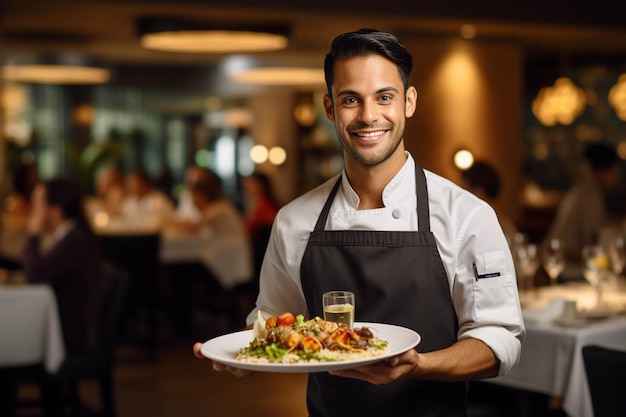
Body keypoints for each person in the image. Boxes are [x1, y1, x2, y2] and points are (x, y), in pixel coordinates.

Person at [194, 29, 524, 417]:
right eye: (351, 99)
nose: (369, 116)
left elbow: (499, 339)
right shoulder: (294, 220)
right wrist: (244, 353)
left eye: (384, 97)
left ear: (409, 102)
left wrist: (419, 366)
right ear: (330, 108)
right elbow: (271, 317)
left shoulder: (466, 215)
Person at [22, 177, 104, 352]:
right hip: (65, 322)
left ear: (54, 210)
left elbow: (35, 275)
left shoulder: (75, 240)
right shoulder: (71, 235)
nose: (33, 211)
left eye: (38, 205)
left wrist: (34, 234)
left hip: (73, 333)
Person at [543, 142, 621, 279]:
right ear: (604, 170)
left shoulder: (582, 190)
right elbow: (592, 243)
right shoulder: (589, 196)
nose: (617, 176)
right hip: (570, 272)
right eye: (615, 170)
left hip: (566, 267)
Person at [461, 160, 518, 237]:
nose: (463, 196)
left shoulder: (475, 224)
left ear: (479, 192)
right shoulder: (506, 223)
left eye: (465, 189)